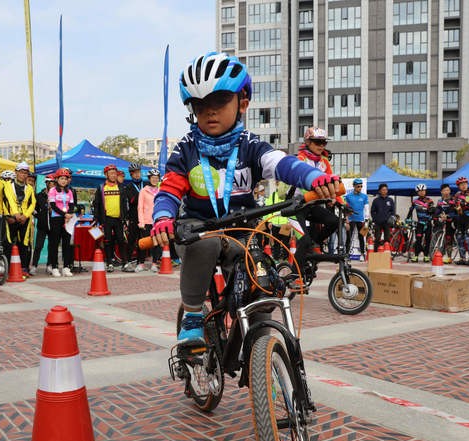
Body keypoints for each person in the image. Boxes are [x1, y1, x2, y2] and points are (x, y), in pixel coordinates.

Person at [150, 52, 335, 343]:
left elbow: (281, 163)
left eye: (220, 101)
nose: (210, 111)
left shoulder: (249, 145)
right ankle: (193, 315)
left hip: (243, 229)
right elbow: (170, 188)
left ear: (243, 103)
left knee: (261, 289)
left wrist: (314, 178)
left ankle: (259, 346)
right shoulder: (186, 148)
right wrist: (162, 218)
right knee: (205, 244)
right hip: (199, 229)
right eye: (200, 105)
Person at [292, 126, 340, 264]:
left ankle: (315, 244)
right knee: (304, 241)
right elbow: (304, 184)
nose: (321, 145)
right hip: (295, 207)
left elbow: (332, 182)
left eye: (324, 142)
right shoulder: (300, 159)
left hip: (312, 205)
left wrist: (341, 202)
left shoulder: (324, 162)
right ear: (307, 142)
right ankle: (295, 275)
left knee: (335, 222)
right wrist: (324, 196)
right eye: (317, 142)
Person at [91, 164, 129, 272]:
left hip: (119, 219)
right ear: (106, 174)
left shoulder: (121, 187)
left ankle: (125, 262)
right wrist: (97, 219)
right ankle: (109, 262)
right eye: (111, 173)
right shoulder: (101, 187)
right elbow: (96, 204)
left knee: (121, 240)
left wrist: (125, 218)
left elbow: (124, 204)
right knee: (107, 241)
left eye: (114, 173)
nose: (113, 175)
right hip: (106, 219)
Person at [45, 167, 77, 277]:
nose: (63, 180)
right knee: (54, 243)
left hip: (67, 220)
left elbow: (72, 205)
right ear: (57, 180)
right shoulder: (52, 191)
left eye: (65, 178)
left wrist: (70, 214)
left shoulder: (70, 192)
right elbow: (53, 206)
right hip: (56, 219)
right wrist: (65, 214)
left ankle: (66, 267)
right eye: (61, 178)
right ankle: (54, 267)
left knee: (67, 244)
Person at [6, 162, 36, 275]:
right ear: (16, 172)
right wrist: (14, 214)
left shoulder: (29, 188)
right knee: (8, 243)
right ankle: (8, 267)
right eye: (21, 172)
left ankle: (24, 268)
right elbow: (7, 199)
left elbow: (32, 203)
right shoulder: (7, 185)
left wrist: (26, 215)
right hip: (12, 218)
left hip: (24, 219)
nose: (23, 175)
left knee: (24, 243)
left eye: (25, 173)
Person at [137, 168, 162, 271]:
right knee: (144, 243)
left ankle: (154, 263)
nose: (155, 180)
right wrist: (141, 222)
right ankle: (141, 263)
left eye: (156, 178)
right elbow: (140, 207)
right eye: (153, 178)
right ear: (149, 179)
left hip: (157, 221)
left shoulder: (161, 191)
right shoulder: (143, 191)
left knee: (157, 243)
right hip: (146, 221)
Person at [30, 173, 55, 275]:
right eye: (50, 183)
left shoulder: (57, 195)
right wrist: (39, 216)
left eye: (54, 183)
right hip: (42, 225)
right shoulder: (39, 196)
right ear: (47, 183)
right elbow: (33, 209)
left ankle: (49, 265)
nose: (52, 185)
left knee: (52, 246)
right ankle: (34, 265)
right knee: (38, 246)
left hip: (54, 224)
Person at [453, 176, 469, 266]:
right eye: (461, 184)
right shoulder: (457, 195)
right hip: (460, 218)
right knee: (459, 237)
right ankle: (462, 258)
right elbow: (454, 206)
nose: (463, 186)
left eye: (465, 184)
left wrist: (466, 204)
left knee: (468, 238)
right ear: (458, 186)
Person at [123, 162, 144, 269]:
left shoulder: (146, 184)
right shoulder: (129, 187)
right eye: (134, 173)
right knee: (132, 239)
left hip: (144, 217)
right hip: (133, 217)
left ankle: (141, 261)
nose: (137, 175)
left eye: (138, 172)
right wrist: (142, 194)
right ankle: (128, 260)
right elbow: (132, 201)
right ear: (131, 175)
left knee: (142, 239)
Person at [406, 183, 435, 262]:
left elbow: (433, 211)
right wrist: (407, 219)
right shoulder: (415, 201)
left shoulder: (430, 200)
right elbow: (410, 211)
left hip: (428, 223)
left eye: (423, 191)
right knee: (418, 239)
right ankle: (416, 255)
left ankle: (426, 256)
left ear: (425, 191)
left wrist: (431, 211)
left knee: (427, 240)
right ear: (417, 192)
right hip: (420, 223)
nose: (422, 192)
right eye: (420, 191)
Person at [344, 178, 368, 258]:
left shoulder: (364, 196)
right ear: (354, 186)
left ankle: (362, 254)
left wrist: (366, 220)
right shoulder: (348, 196)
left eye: (361, 186)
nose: (360, 188)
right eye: (358, 186)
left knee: (361, 237)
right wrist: (346, 219)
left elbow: (366, 208)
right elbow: (345, 208)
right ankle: (346, 254)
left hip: (361, 219)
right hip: (351, 219)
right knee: (349, 237)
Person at [433, 184, 457, 264]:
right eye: (444, 190)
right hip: (443, 221)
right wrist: (439, 216)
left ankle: (449, 257)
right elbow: (437, 211)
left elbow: (456, 212)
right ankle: (440, 253)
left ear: (450, 191)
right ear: (441, 192)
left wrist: (448, 216)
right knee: (441, 236)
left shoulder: (453, 200)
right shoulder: (440, 201)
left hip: (452, 221)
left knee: (449, 238)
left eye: (448, 190)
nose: (446, 192)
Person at [370, 183, 395, 251]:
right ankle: (375, 252)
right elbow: (372, 211)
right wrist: (375, 219)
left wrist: (392, 218)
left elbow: (393, 211)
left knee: (387, 238)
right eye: (383, 190)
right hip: (378, 223)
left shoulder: (390, 200)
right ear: (379, 191)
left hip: (387, 222)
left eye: (386, 190)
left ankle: (386, 252)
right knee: (377, 237)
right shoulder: (376, 200)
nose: (384, 191)